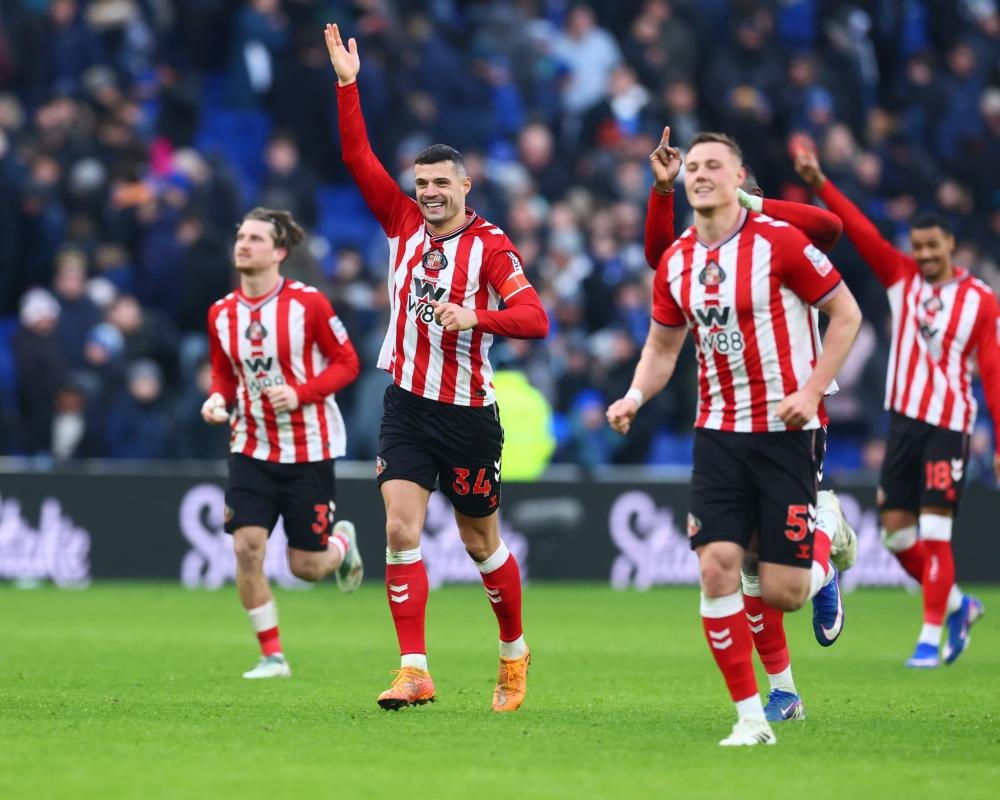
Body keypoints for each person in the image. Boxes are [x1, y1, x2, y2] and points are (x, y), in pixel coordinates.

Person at [607, 132, 862, 746]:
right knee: (723, 567)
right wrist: (634, 396)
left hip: (788, 427)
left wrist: (811, 390)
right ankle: (757, 713)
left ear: (739, 177)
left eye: (712, 166)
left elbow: (843, 294)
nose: (699, 174)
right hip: (718, 433)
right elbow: (661, 337)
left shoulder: (780, 240)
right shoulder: (681, 259)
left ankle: (825, 528)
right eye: (692, 167)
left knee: (782, 591)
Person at [325, 23, 549, 713]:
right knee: (399, 529)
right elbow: (357, 156)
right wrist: (347, 85)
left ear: (465, 186)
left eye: (440, 183)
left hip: (468, 416)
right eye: (421, 183)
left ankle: (513, 652)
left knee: (481, 544)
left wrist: (475, 316)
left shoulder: (491, 248)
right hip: (407, 405)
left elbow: (535, 318)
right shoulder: (399, 223)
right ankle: (414, 669)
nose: (428, 193)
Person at [791, 137, 999, 668]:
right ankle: (958, 605)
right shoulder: (901, 277)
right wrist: (820, 184)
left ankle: (929, 637)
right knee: (899, 535)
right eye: (918, 246)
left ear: (951, 245)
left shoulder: (980, 300)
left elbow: (994, 375)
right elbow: (861, 231)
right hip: (903, 425)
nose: (925, 255)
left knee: (935, 529)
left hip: (948, 425)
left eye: (934, 246)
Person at [202, 207, 363, 680]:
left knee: (307, 568)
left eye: (256, 238)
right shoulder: (221, 313)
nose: (244, 244)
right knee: (247, 547)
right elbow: (223, 374)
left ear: (279, 252)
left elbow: (347, 363)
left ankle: (341, 544)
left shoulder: (308, 304)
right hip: (250, 446)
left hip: (308, 447)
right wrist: (217, 399)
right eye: (241, 236)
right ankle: (272, 655)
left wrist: (300, 393)